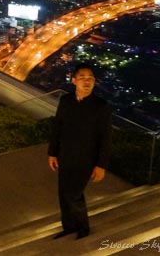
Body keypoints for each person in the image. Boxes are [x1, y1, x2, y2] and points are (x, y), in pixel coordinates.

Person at [48, 63, 112, 240]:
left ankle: (83, 227)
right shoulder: (66, 100)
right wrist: (52, 153)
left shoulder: (101, 106)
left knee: (73, 193)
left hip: (86, 159)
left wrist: (101, 165)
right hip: (65, 156)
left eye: (90, 78)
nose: (87, 81)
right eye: (82, 78)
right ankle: (69, 227)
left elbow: (105, 138)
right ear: (74, 80)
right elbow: (57, 127)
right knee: (63, 193)